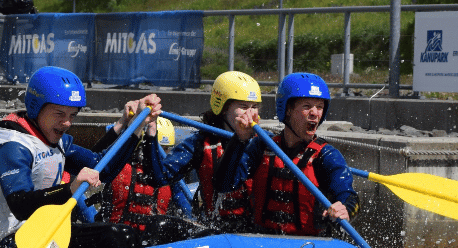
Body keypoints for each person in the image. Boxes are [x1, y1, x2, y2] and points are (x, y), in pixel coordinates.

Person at [0, 66, 162, 248]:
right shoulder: (11, 145)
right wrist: (69, 189)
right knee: (119, 236)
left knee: (123, 234)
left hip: (36, 236)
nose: (67, 123)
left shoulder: (54, 140)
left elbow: (102, 169)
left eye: (72, 115)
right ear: (35, 108)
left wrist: (136, 125)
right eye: (59, 113)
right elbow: (20, 205)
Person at [212, 72, 358, 236]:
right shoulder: (261, 147)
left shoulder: (327, 155)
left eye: (319, 107)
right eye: (306, 106)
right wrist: (239, 139)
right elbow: (223, 185)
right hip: (263, 241)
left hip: (309, 246)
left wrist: (345, 208)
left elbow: (349, 196)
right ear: (287, 110)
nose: (315, 113)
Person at [146, 71, 262, 232]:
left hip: (255, 233)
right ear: (223, 109)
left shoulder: (263, 143)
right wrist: (151, 135)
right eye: (243, 107)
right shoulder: (199, 144)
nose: (251, 114)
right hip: (215, 231)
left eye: (254, 107)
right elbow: (159, 177)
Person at [98, 117, 191, 232]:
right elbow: (97, 158)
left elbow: (184, 205)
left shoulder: (168, 177)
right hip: (117, 235)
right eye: (159, 150)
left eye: (166, 149)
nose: (160, 156)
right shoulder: (117, 165)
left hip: (152, 238)